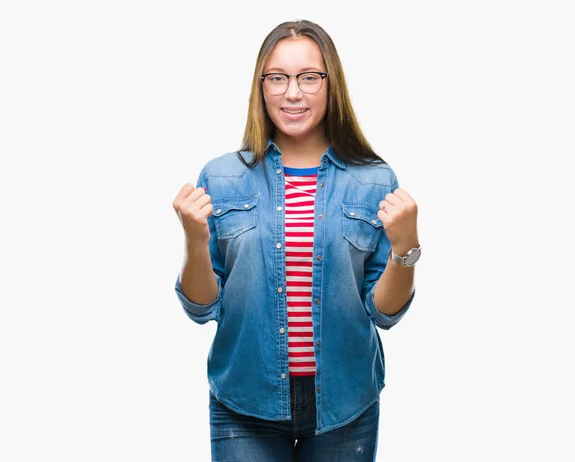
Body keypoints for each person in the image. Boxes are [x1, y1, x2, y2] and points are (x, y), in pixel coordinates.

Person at [172, 19, 420, 461]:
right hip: (245, 400)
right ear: (261, 86)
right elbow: (200, 307)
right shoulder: (221, 177)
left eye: (309, 77)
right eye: (278, 78)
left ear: (331, 85)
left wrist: (406, 250)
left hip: (345, 401)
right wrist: (194, 240)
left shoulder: (375, 180)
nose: (292, 92)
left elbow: (384, 313)